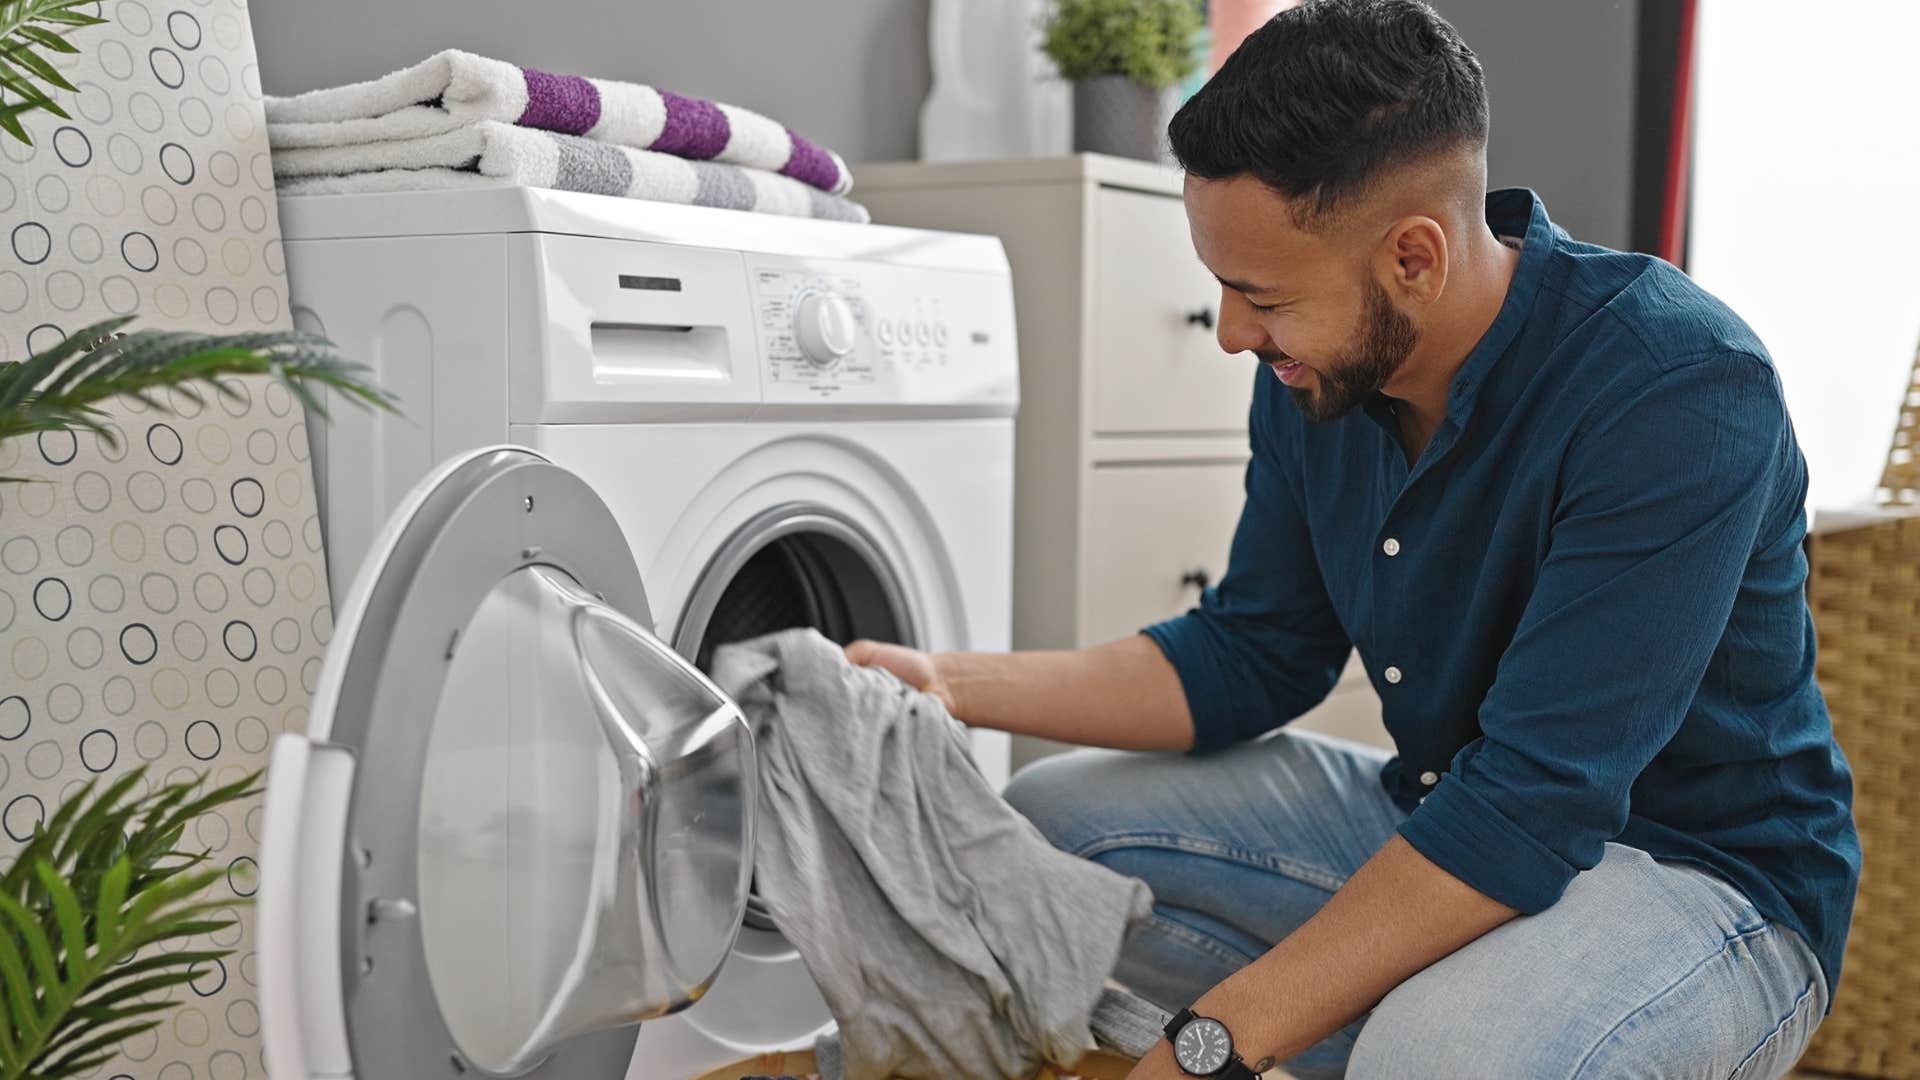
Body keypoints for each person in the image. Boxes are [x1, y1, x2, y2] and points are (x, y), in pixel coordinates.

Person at [847, 1, 1860, 1076]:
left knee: (1439, 1055)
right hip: (1455, 812)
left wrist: (1212, 1046)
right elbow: (1252, 653)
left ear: (1413, 259)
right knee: (1046, 830)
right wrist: (944, 683)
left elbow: (1537, 799)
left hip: (1703, 879)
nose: (1235, 333)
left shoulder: (1678, 388)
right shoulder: (1319, 374)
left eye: (1261, 296)